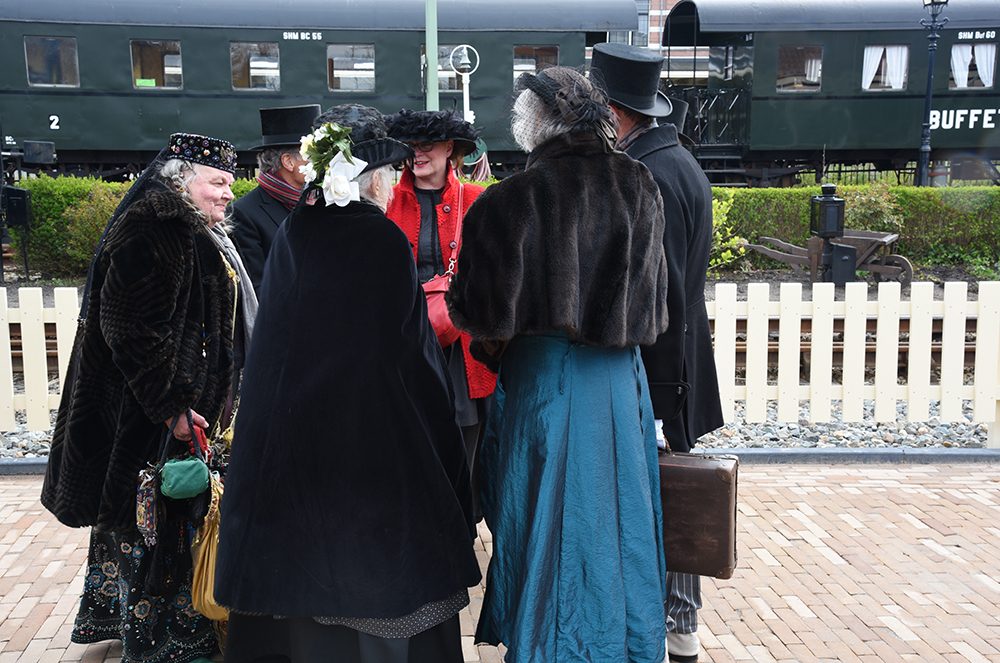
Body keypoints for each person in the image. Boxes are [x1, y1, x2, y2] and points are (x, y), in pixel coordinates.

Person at [214, 104, 482, 663]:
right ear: (372, 178)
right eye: (388, 174)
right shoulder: (378, 238)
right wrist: (446, 458)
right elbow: (413, 361)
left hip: (293, 447)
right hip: (368, 455)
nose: (392, 185)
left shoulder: (293, 230)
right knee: (377, 595)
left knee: (304, 600)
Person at [446, 67, 670, 663]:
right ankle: (622, 643)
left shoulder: (512, 199)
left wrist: (502, 348)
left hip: (545, 382)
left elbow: (480, 316)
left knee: (543, 513)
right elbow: (656, 300)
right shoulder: (641, 185)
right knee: (617, 516)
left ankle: (547, 643)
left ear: (538, 122)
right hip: (622, 384)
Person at [41, 133, 256, 663]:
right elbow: (132, 329)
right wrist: (173, 407)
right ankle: (164, 642)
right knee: (153, 521)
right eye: (218, 183)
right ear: (183, 181)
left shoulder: (189, 225)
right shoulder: (157, 225)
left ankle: (153, 629)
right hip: (145, 421)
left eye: (230, 183)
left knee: (157, 519)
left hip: (165, 414)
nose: (228, 193)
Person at [592, 42, 726, 663]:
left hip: (661, 374)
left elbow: (661, 295)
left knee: (665, 511)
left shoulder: (645, 173)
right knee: (668, 509)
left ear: (616, 115)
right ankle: (677, 632)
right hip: (680, 366)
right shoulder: (677, 159)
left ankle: (677, 638)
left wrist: (659, 404)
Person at [383, 108, 495, 517]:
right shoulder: (387, 200)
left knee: (463, 452)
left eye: (427, 145)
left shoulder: (477, 199)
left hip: (461, 349)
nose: (418, 154)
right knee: (409, 445)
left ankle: (459, 543)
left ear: (451, 149)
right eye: (411, 146)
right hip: (405, 344)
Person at [232, 104, 321, 294]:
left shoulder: (318, 202)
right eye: (313, 155)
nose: (320, 161)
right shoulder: (243, 213)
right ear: (288, 162)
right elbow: (258, 288)